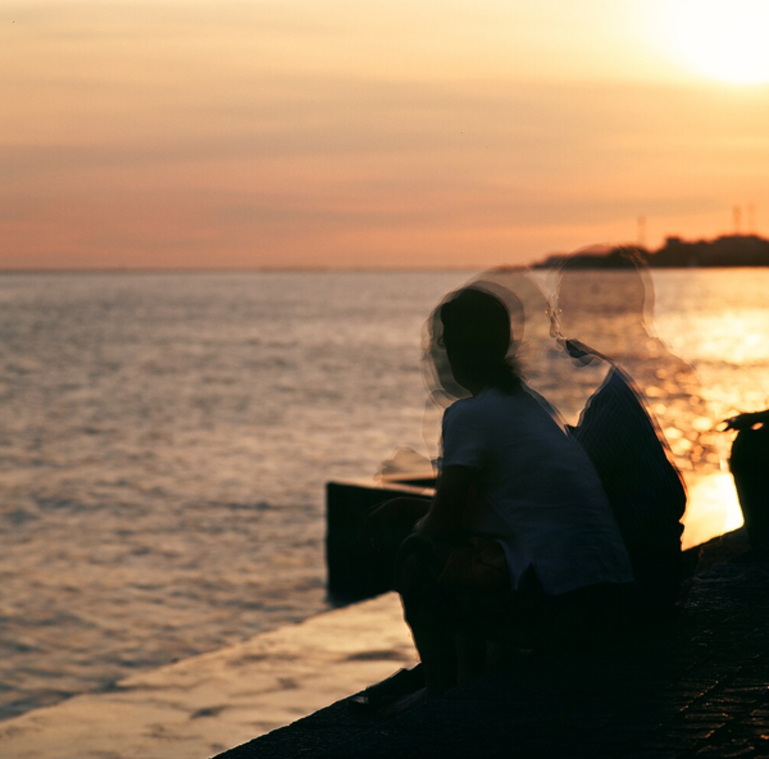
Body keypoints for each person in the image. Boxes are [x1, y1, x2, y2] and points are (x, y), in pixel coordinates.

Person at [377, 286, 634, 701]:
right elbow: (503, 509)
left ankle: (440, 696)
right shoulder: (531, 406)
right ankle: (470, 678)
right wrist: (417, 506)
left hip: (562, 610)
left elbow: (441, 526)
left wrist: (414, 521)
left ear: (455, 350)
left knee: (416, 555)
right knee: (470, 556)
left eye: (441, 343)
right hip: (612, 598)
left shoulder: (469, 415)